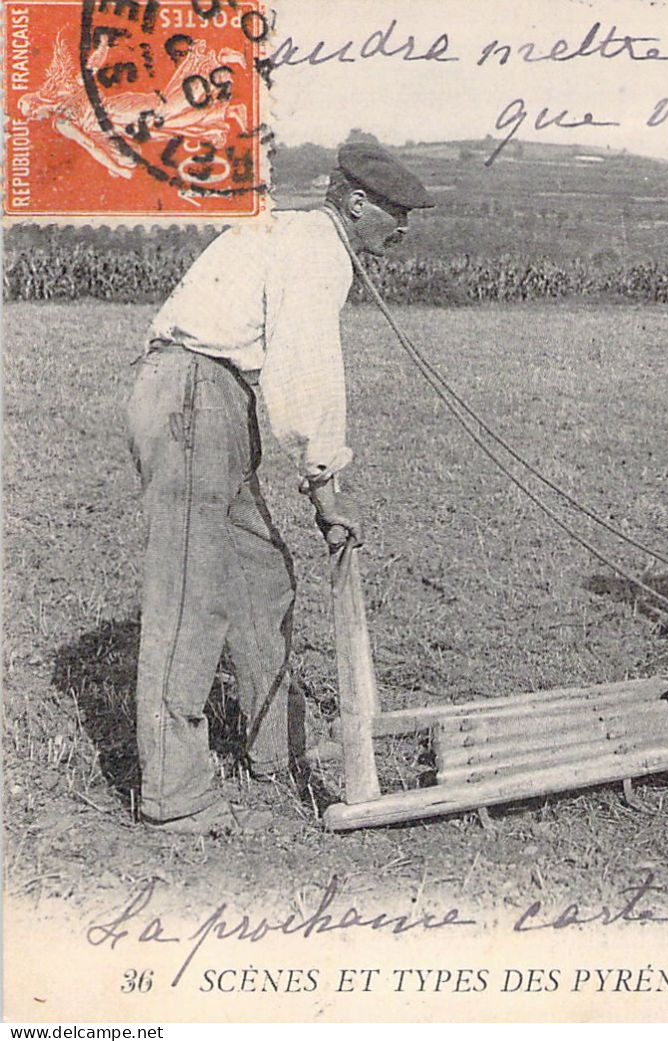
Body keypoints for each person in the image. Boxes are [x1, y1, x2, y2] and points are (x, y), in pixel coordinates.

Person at [125, 142, 434, 835]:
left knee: (261, 578)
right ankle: (174, 792)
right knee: (188, 598)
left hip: (215, 401)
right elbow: (304, 372)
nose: (405, 227)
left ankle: (277, 743)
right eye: (397, 212)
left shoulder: (302, 236)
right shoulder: (317, 248)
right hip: (192, 396)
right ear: (355, 204)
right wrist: (324, 486)